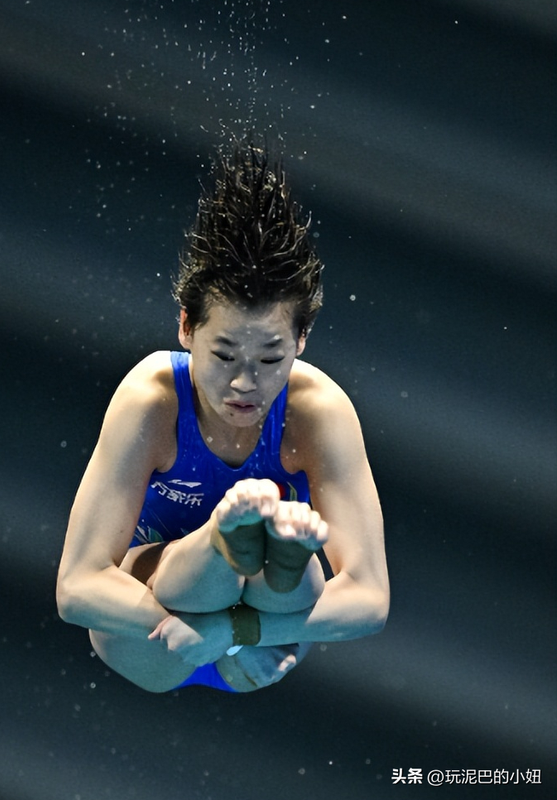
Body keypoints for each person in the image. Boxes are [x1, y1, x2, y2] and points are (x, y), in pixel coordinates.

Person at [56, 141, 389, 693]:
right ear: (186, 328)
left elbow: (370, 598)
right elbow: (77, 588)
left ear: (302, 339)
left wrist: (237, 632)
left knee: (296, 572)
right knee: (206, 569)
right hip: (150, 634)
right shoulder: (152, 398)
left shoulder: (319, 412)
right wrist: (208, 628)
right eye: (225, 355)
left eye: (270, 359)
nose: (244, 383)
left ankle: (263, 550)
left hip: (258, 643)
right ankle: (226, 541)